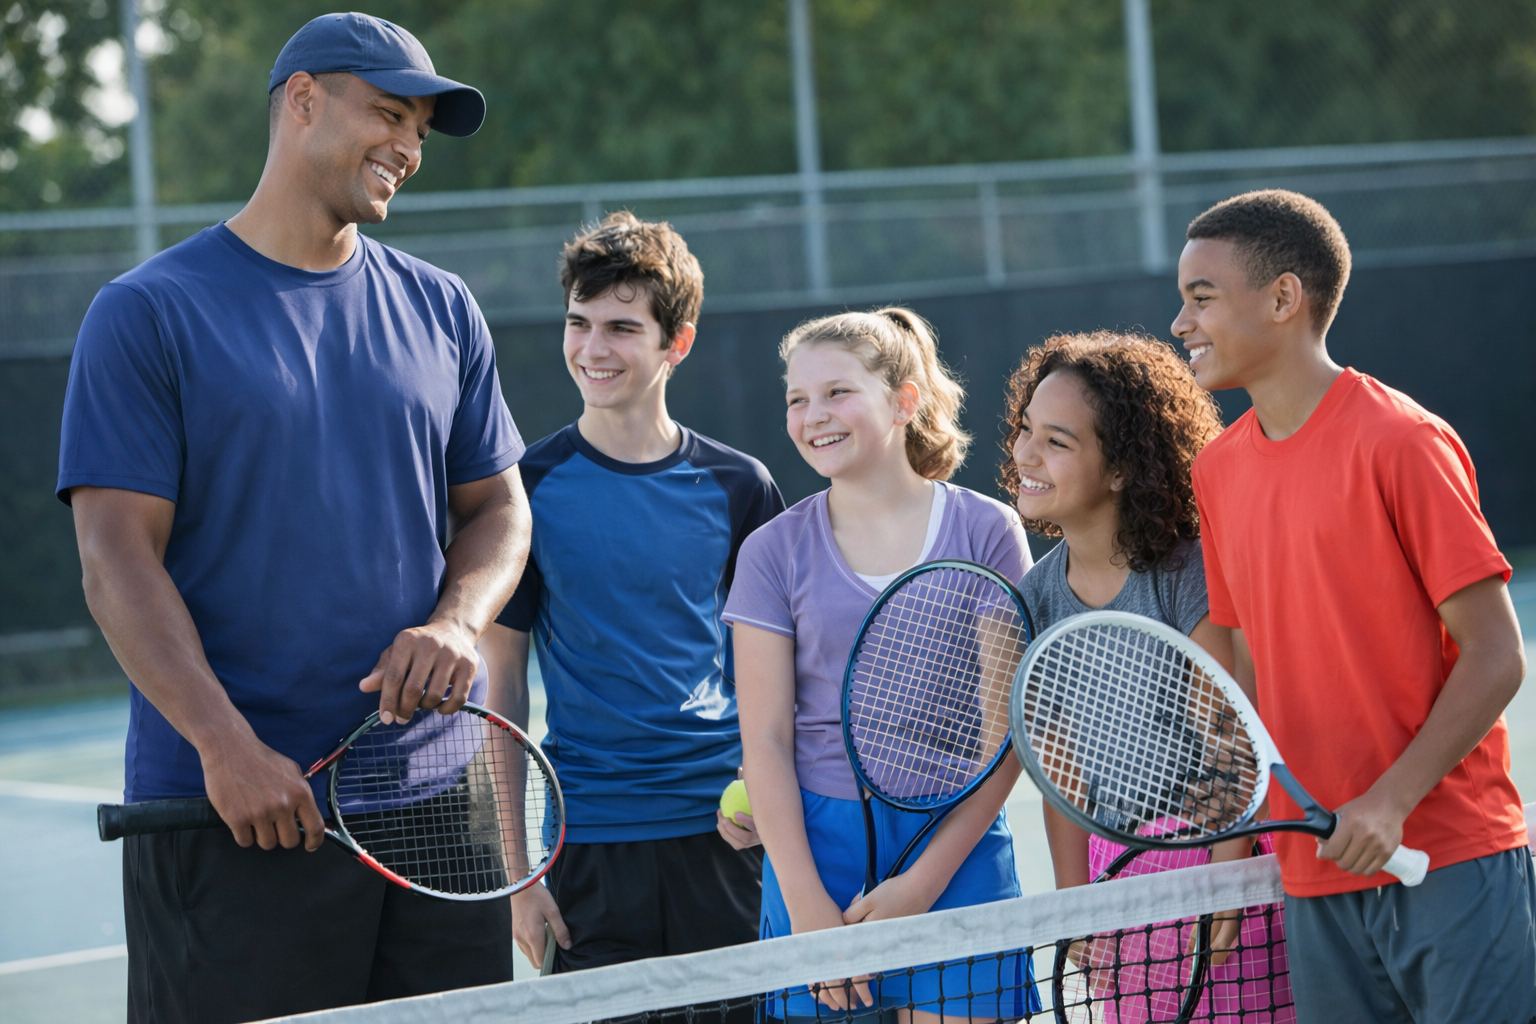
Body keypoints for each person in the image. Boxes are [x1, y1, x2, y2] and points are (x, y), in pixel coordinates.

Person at [56, 14, 530, 1023]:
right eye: (390, 114)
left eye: (420, 130)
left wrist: (456, 620)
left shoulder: (444, 309)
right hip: (240, 812)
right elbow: (114, 561)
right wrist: (226, 747)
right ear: (304, 100)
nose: (408, 147)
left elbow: (499, 511)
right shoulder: (147, 313)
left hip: (436, 813)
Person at [1175, 189, 1531, 1023]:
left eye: (1201, 298)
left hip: (1449, 858)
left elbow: (1497, 654)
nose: (1181, 322)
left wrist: (1390, 801)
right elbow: (1246, 664)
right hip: (1311, 875)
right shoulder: (1217, 471)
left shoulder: (1402, 441)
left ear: (1284, 299)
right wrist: (1237, 836)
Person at [485, 211, 784, 977]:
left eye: (621, 327)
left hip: (727, 835)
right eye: (578, 323)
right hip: (587, 846)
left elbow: (783, 671)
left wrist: (768, 797)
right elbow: (504, 685)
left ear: (675, 343)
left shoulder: (739, 486)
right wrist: (519, 876)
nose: (591, 349)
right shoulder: (525, 488)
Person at [723, 308, 1037, 1022]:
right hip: (815, 853)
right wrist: (805, 906)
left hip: (956, 848)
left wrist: (923, 884)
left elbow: (1005, 735)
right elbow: (765, 741)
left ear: (903, 402)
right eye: (797, 400)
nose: (813, 416)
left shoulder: (989, 530)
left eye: (837, 392)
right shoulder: (772, 552)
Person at [1006, 331, 1292, 1023]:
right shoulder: (1036, 598)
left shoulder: (1187, 574)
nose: (1026, 455)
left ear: (1122, 468)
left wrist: (1224, 878)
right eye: (1024, 431)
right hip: (1118, 880)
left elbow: (1234, 742)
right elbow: (1061, 777)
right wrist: (1078, 906)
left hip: (1229, 865)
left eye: (1058, 441)